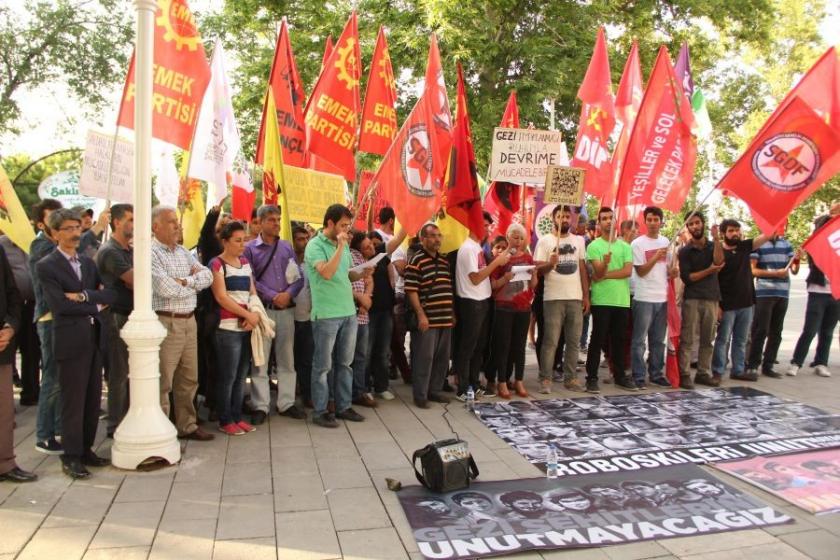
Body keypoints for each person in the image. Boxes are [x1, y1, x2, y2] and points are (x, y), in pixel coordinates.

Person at [37, 208, 116, 479]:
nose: (74, 233)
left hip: (93, 338)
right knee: (73, 400)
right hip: (70, 340)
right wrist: (93, 303)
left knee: (93, 398)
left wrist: (82, 297)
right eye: (68, 229)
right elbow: (59, 305)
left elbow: (105, 293)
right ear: (55, 233)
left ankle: (86, 449)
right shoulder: (47, 265)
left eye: (76, 228)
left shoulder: (88, 262)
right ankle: (71, 455)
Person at [151, 205, 215, 441]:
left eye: (176, 220)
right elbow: (164, 287)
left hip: (189, 321)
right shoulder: (150, 253)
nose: (177, 225)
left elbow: (207, 276)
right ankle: (161, 429)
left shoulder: (182, 251)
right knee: (164, 379)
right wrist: (192, 283)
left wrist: (185, 282)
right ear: (155, 226)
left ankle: (186, 425)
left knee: (189, 377)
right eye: (170, 221)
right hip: (167, 320)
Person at [305, 204, 370, 428]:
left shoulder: (342, 247)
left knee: (345, 363)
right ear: (330, 223)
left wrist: (364, 271)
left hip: (348, 313)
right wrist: (341, 247)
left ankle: (343, 406)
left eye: (348, 226)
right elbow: (327, 272)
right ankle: (321, 410)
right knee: (323, 366)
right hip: (326, 315)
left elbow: (346, 275)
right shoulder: (314, 245)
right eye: (342, 225)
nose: (346, 230)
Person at [244, 205, 305, 423]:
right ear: (259, 223)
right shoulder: (249, 249)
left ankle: (286, 403)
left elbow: (298, 278)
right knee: (260, 360)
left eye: (278, 219)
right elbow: (249, 280)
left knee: (287, 360)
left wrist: (288, 294)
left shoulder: (286, 247)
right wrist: (272, 295)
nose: (277, 223)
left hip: (286, 311)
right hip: (263, 312)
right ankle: (260, 406)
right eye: (271, 220)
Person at [209, 221, 261, 436]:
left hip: (246, 325)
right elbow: (221, 297)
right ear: (225, 241)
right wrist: (246, 314)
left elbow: (252, 292)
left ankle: (237, 416)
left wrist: (254, 315)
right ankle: (225, 418)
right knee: (228, 376)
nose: (242, 245)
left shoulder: (245, 262)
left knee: (241, 375)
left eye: (244, 240)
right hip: (226, 327)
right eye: (237, 241)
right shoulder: (216, 264)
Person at [533, 206, 589, 394]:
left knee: (573, 341)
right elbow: (538, 270)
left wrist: (586, 295)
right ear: (553, 218)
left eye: (567, 216)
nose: (564, 219)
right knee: (551, 341)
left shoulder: (579, 240)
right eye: (560, 216)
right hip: (553, 297)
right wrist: (550, 262)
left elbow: (581, 268)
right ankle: (545, 379)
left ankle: (571, 378)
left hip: (575, 297)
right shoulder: (544, 242)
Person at [453, 212, 508, 399]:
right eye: (483, 225)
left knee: (479, 347)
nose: (487, 229)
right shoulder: (468, 248)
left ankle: (474, 383)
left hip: (482, 301)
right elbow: (475, 278)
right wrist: (496, 264)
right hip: (471, 302)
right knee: (468, 346)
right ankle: (463, 387)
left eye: (487, 225)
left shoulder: (477, 247)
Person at [712, 219, 770, 382]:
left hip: (747, 303)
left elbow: (764, 237)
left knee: (741, 339)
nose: (735, 234)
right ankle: (718, 370)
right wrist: (717, 304)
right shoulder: (717, 251)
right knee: (723, 339)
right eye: (731, 231)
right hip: (727, 305)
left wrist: (774, 224)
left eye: (737, 230)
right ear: (724, 233)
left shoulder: (745, 246)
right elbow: (714, 278)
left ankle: (738, 370)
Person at [585, 207, 635, 393]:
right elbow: (596, 274)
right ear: (599, 223)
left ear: (615, 221)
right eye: (604, 218)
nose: (607, 221)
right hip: (601, 300)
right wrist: (604, 265)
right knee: (597, 340)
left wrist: (605, 273)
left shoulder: (625, 246)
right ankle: (591, 378)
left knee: (619, 340)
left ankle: (620, 376)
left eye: (610, 218)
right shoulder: (594, 246)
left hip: (621, 301)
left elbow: (627, 272)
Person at [95, 203, 134, 438]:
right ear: (116, 222)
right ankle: (116, 425)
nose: (133, 224)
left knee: (132, 371)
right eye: (129, 219)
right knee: (119, 374)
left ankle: (128, 418)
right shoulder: (110, 251)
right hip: (116, 316)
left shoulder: (129, 250)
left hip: (130, 314)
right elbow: (135, 279)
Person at [404, 223, 454, 408]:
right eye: (433, 236)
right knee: (424, 359)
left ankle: (434, 391)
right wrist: (421, 315)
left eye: (439, 235)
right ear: (423, 239)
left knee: (442, 359)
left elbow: (447, 287)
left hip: (445, 318)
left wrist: (452, 313)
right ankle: (421, 395)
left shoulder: (443, 260)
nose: (437, 239)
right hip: (427, 318)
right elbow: (411, 290)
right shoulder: (416, 260)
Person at [486, 223, 538, 399]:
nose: (518, 240)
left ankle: (519, 380)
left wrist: (535, 274)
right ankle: (501, 381)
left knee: (519, 346)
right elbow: (493, 285)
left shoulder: (528, 258)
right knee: (503, 345)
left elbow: (533, 285)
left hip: (524, 306)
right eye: (515, 236)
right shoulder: (501, 258)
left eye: (521, 237)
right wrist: (505, 278)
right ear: (508, 237)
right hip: (504, 306)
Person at [0, 244, 37, 483]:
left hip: (2, 344)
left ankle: (5, 463)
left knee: (4, 410)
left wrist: (10, 326)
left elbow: (13, 293)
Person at [30, 198, 63, 455]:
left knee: (63, 377)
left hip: (65, 319)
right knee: (51, 378)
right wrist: (94, 230)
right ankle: (44, 434)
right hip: (49, 318)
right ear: (42, 223)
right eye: (54, 218)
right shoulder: (41, 245)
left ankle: (59, 428)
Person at [787, 214, 839, 378]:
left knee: (828, 331)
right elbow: (814, 263)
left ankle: (821, 363)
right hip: (818, 292)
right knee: (810, 329)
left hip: (836, 294)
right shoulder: (814, 245)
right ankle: (796, 362)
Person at [678, 212, 724, 389]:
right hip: (692, 299)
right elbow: (688, 277)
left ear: (703, 224)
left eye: (698, 223)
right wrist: (709, 270)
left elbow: (719, 262)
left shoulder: (714, 245)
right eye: (691, 224)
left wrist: (717, 239)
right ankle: (685, 374)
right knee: (688, 338)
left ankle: (703, 373)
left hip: (711, 298)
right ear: (687, 228)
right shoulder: (685, 251)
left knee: (708, 339)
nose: (695, 226)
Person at [630, 206, 673, 388]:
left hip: (662, 298)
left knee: (658, 340)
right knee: (639, 340)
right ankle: (639, 375)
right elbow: (640, 271)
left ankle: (656, 373)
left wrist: (673, 272)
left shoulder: (666, 241)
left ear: (661, 222)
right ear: (645, 221)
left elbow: (668, 270)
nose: (653, 223)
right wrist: (655, 257)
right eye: (650, 219)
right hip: (643, 297)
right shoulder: (638, 244)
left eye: (656, 219)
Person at [747, 230, 798, 378]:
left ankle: (768, 365)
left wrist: (796, 260)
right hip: (764, 292)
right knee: (760, 330)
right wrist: (775, 273)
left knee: (776, 331)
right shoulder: (759, 244)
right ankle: (753, 364)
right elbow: (753, 270)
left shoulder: (786, 244)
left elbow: (793, 270)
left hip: (782, 293)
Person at [367, 229, 406, 401]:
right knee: (366, 352)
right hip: (368, 313)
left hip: (385, 312)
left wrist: (407, 219)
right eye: (368, 246)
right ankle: (365, 387)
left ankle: (381, 387)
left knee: (383, 352)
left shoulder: (382, 254)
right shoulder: (360, 260)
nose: (371, 248)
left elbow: (398, 238)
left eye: (374, 244)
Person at [0, 232, 38, 407]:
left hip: (26, 308)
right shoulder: (4, 246)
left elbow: (10, 291)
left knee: (31, 352)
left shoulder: (31, 244)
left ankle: (30, 394)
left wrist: (10, 325)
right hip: (11, 313)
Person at [349, 231, 376, 408]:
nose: (371, 248)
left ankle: (358, 391)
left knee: (361, 356)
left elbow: (369, 280)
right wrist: (360, 298)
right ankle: (345, 394)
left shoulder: (365, 262)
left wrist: (366, 298)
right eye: (367, 246)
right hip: (350, 313)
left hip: (363, 316)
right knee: (346, 359)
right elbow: (342, 284)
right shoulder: (349, 257)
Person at [292, 226, 313, 407]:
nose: (305, 242)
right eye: (300, 239)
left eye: (306, 238)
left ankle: (307, 394)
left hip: (307, 317)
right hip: (287, 315)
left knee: (306, 358)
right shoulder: (286, 262)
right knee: (288, 360)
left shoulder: (311, 262)